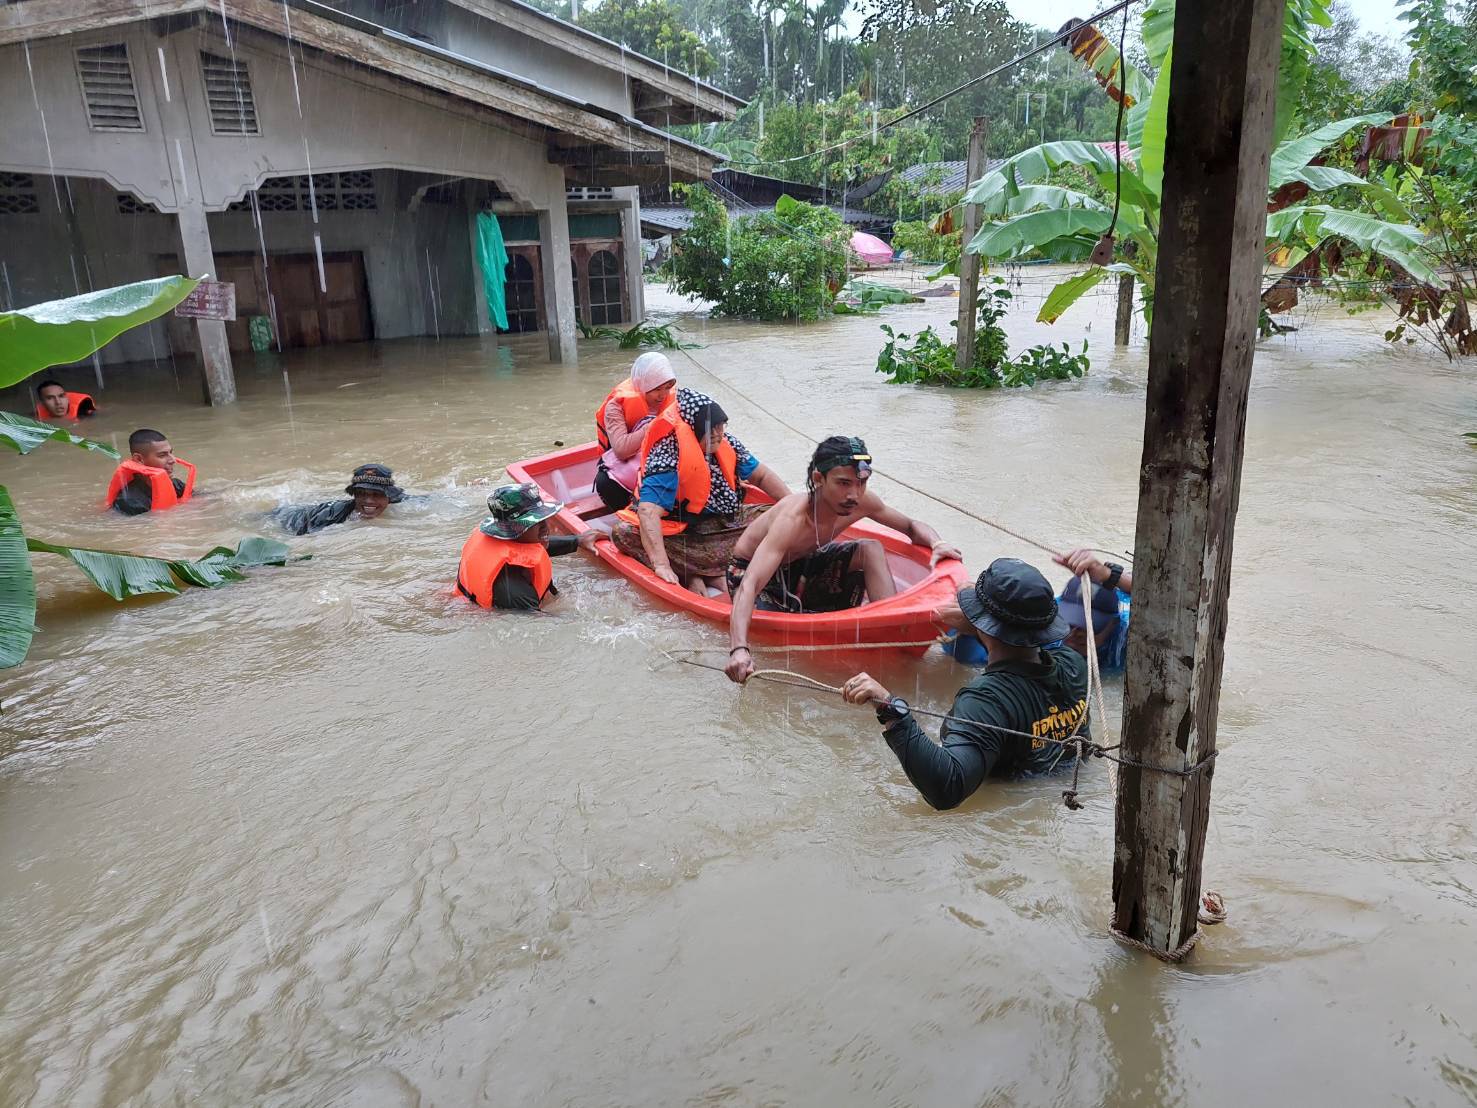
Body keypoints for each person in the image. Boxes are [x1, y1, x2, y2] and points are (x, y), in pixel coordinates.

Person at [840, 559, 1091, 810]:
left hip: (1005, 813)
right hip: (1061, 797)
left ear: (985, 624)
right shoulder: (1073, 663)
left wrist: (890, 708)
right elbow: (1018, 654)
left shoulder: (986, 700)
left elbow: (947, 787)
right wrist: (981, 627)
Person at [724, 435, 962, 683]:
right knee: (781, 628)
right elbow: (750, 583)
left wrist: (938, 543)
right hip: (750, 572)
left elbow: (911, 527)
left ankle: (892, 626)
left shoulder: (862, 502)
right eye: (843, 483)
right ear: (818, 479)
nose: (854, 495)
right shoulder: (793, 519)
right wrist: (738, 649)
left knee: (870, 548)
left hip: (803, 561)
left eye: (861, 483)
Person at [611, 387, 790, 596]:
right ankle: (696, 574)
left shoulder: (728, 443)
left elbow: (761, 476)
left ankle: (704, 571)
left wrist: (795, 505)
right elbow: (648, 512)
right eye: (709, 429)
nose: (717, 434)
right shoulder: (668, 454)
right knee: (623, 533)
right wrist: (661, 565)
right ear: (694, 428)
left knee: (783, 516)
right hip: (685, 534)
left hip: (724, 524)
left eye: (720, 427)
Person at [457, 482, 597, 610]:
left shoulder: (511, 540)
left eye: (543, 518)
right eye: (533, 522)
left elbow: (532, 548)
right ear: (514, 529)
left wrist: (578, 540)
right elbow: (541, 625)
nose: (545, 527)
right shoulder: (513, 590)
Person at [594, 352, 678, 511]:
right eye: (657, 389)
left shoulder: (674, 399)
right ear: (643, 384)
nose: (663, 395)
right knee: (605, 483)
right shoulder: (615, 406)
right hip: (624, 467)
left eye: (667, 387)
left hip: (660, 463)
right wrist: (655, 425)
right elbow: (621, 449)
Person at [273, 463, 405, 535]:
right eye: (361, 494)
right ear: (354, 495)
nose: (368, 501)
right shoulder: (332, 516)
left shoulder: (401, 501)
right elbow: (301, 538)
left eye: (376, 494)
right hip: (285, 517)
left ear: (389, 497)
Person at [106, 429, 195, 515]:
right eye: (162, 455)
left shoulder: (176, 485)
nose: (173, 460)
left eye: (171, 452)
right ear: (139, 459)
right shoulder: (129, 502)